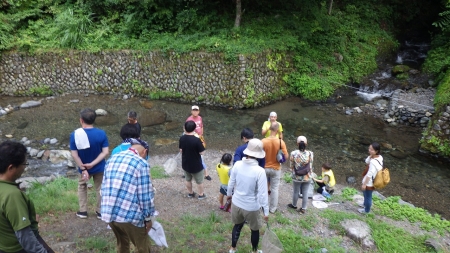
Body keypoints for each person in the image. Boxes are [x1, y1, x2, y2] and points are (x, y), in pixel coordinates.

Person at [101, 138, 155, 253]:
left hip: (109, 212)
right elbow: (145, 196)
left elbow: (103, 186)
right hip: (130, 217)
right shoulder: (142, 163)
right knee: (142, 247)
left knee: (122, 245)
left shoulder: (112, 158)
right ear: (144, 152)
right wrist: (148, 218)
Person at [0, 141, 54, 253]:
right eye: (24, 164)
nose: (25, 168)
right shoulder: (12, 195)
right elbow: (25, 238)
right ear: (11, 168)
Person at [227, 139, 269, 253]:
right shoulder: (260, 171)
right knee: (254, 230)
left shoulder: (238, 164)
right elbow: (263, 193)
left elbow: (231, 182)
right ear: (259, 155)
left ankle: (233, 248)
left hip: (236, 202)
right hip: (252, 207)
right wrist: (266, 212)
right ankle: (254, 251)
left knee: (237, 226)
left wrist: (229, 195)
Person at [70, 108, 109, 219]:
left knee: (82, 186)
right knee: (100, 188)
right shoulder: (101, 133)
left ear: (81, 120)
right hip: (99, 167)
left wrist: (83, 168)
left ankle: (83, 211)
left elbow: (74, 155)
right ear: (94, 120)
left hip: (83, 168)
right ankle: (100, 211)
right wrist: (93, 163)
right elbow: (105, 152)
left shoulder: (75, 134)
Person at [261, 122, 288, 213]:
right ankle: (272, 209)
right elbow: (286, 156)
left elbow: (258, 155)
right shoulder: (281, 142)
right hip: (276, 168)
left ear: (269, 128)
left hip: (264, 167)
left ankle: (262, 206)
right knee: (274, 189)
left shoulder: (263, 141)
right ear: (277, 130)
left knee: (263, 188)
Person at [179, 120, 207, 199]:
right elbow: (202, 152)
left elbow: (181, 150)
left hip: (185, 164)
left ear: (184, 128)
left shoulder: (182, 138)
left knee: (188, 180)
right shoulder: (196, 140)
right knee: (199, 181)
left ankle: (190, 193)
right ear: (194, 129)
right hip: (196, 165)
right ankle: (201, 194)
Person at [287, 136, 314, 214]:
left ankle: (294, 205)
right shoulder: (310, 154)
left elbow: (291, 166)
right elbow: (311, 164)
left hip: (297, 177)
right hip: (307, 176)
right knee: (305, 192)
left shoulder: (293, 153)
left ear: (297, 144)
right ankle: (303, 209)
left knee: (296, 191)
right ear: (306, 144)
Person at [185, 105, 211, 180]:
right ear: (191, 111)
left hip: (199, 138)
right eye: (194, 110)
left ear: (199, 111)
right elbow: (186, 129)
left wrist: (201, 135)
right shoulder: (189, 119)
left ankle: (206, 173)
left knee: (200, 156)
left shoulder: (200, 118)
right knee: (193, 156)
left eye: (196, 110)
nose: (195, 111)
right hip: (192, 139)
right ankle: (188, 172)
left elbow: (201, 126)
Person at [359, 142, 383, 214]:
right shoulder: (380, 157)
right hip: (373, 179)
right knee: (365, 194)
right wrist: (371, 155)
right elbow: (366, 161)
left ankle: (366, 210)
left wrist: (364, 184)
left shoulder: (373, 162)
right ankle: (364, 204)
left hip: (370, 182)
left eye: (372, 150)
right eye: (369, 148)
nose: (369, 150)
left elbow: (369, 174)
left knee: (368, 196)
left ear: (376, 151)